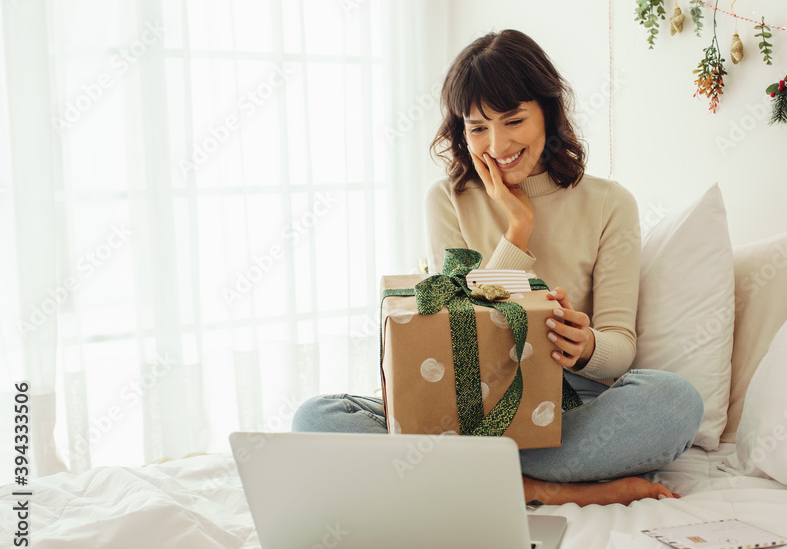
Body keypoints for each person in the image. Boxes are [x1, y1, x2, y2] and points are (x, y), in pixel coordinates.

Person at [292, 29, 703, 506]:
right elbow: (456, 324)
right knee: (316, 417)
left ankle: (461, 476)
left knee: (675, 401)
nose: (497, 143)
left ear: (548, 112)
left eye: (513, 120)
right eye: (478, 127)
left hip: (570, 402)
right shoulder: (446, 199)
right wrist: (517, 229)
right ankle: (544, 487)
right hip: (466, 399)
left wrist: (586, 345)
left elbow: (620, 348)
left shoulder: (610, 203)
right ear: (460, 130)